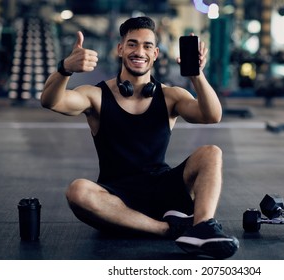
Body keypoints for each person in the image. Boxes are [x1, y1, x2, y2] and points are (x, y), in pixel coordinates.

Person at [41, 16, 239, 259]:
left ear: (155, 53)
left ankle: (202, 227)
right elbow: (51, 101)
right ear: (120, 49)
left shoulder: (170, 95)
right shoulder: (95, 95)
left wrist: (197, 76)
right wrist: (65, 69)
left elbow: (212, 115)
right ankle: (169, 229)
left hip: (164, 187)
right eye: (132, 44)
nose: (139, 51)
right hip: (117, 199)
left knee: (211, 152)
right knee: (77, 191)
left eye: (147, 46)